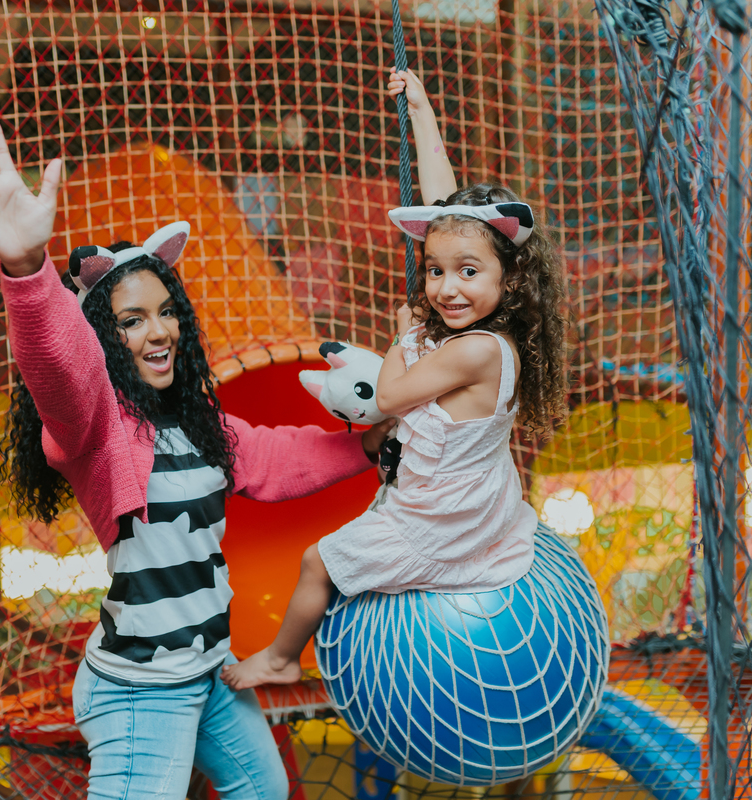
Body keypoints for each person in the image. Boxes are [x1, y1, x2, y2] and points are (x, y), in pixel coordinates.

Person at [0, 115, 392, 800]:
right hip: (143, 690)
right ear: (106, 338)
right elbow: (60, 367)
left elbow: (274, 459)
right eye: (132, 319)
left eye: (166, 310)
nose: (160, 330)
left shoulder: (192, 423)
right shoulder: (93, 427)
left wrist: (367, 446)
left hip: (209, 669)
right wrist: (29, 271)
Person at [221, 68, 569, 691]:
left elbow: (386, 396)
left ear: (509, 280)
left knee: (316, 562)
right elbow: (443, 203)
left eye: (467, 271)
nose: (445, 287)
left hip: (440, 524)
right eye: (435, 270)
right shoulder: (490, 336)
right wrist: (421, 106)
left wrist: (403, 332)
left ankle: (278, 658)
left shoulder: (478, 352)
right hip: (473, 496)